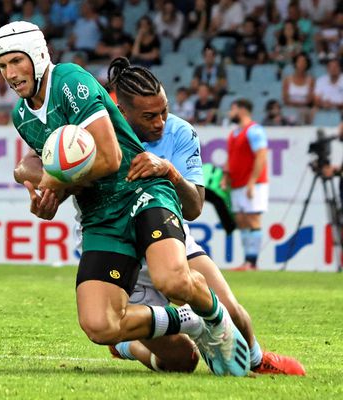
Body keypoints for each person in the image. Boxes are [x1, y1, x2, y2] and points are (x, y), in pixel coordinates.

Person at [0, 21, 251, 377]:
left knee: (173, 281)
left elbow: (110, 159)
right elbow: (68, 172)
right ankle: (187, 321)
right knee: (100, 325)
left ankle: (214, 315)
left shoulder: (71, 82)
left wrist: (47, 176)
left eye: (16, 61)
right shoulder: (21, 116)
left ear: (38, 55)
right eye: (3, 66)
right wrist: (48, 196)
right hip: (100, 215)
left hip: (139, 191)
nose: (10, 73)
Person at [105, 56, 305, 375]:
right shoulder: (100, 130)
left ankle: (256, 359)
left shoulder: (180, 132)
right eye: (149, 116)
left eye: (164, 111)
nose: (160, 122)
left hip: (171, 233)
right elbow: (39, 157)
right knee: (181, 360)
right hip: (120, 247)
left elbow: (195, 207)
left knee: (231, 310)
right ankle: (124, 345)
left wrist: (168, 171)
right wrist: (35, 179)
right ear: (123, 112)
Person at [222, 99, 268, 271]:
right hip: (237, 183)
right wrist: (225, 176)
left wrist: (252, 182)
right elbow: (231, 158)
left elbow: (261, 156)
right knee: (241, 220)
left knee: (253, 218)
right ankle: (247, 260)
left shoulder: (255, 131)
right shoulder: (234, 133)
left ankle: (253, 262)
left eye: (232, 109)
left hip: (252, 183)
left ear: (241, 110)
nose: (229, 113)